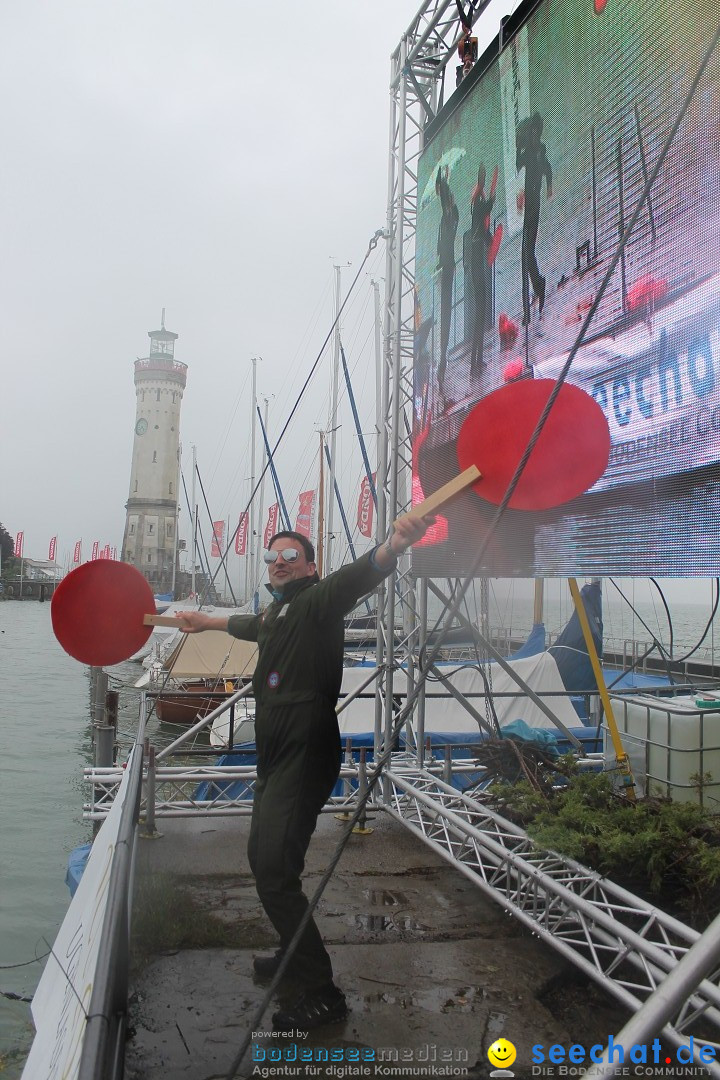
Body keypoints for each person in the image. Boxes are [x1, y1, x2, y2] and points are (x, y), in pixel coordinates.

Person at [175, 511, 433, 1029]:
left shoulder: (318, 602)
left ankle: (321, 990)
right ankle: (293, 954)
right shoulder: (276, 615)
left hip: (305, 747)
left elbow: (358, 576)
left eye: (290, 556)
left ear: (311, 567)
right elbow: (246, 625)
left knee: (272, 869)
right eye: (272, 557)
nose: (278, 563)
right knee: (269, 860)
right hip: (274, 753)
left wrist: (394, 546)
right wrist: (204, 622)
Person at [516, 112, 552, 326]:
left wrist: (548, 185)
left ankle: (538, 287)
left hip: (534, 207)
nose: (533, 135)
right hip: (529, 204)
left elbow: (547, 168)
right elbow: (519, 165)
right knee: (527, 253)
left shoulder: (538, 151)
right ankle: (538, 285)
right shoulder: (531, 151)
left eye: (534, 131)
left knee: (526, 253)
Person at [435, 166, 459, 408]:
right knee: (444, 317)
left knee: (446, 316)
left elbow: (445, 200)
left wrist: (444, 179)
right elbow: (439, 243)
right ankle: (442, 360)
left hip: (449, 268)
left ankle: (442, 360)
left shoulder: (452, 215)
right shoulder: (445, 218)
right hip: (443, 269)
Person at [469, 164, 495, 376]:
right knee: (480, 310)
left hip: (477, 254)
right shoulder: (477, 202)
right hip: (476, 256)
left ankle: (476, 361)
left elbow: (484, 228)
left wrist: (492, 241)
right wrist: (492, 195)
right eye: (483, 179)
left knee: (480, 310)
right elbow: (486, 209)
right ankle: (475, 362)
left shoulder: (477, 201)